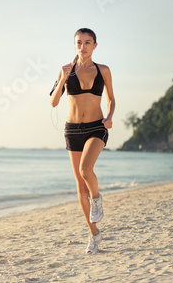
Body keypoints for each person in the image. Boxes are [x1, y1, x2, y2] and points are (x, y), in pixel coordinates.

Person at [49, 28, 115, 254]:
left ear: (95, 45)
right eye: (79, 42)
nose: (83, 46)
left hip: (97, 127)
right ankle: (94, 234)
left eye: (88, 43)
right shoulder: (66, 69)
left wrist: (109, 117)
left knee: (86, 169)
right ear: (74, 45)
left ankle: (97, 199)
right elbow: (54, 102)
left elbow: (111, 99)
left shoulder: (103, 70)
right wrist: (63, 79)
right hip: (73, 129)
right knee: (79, 186)